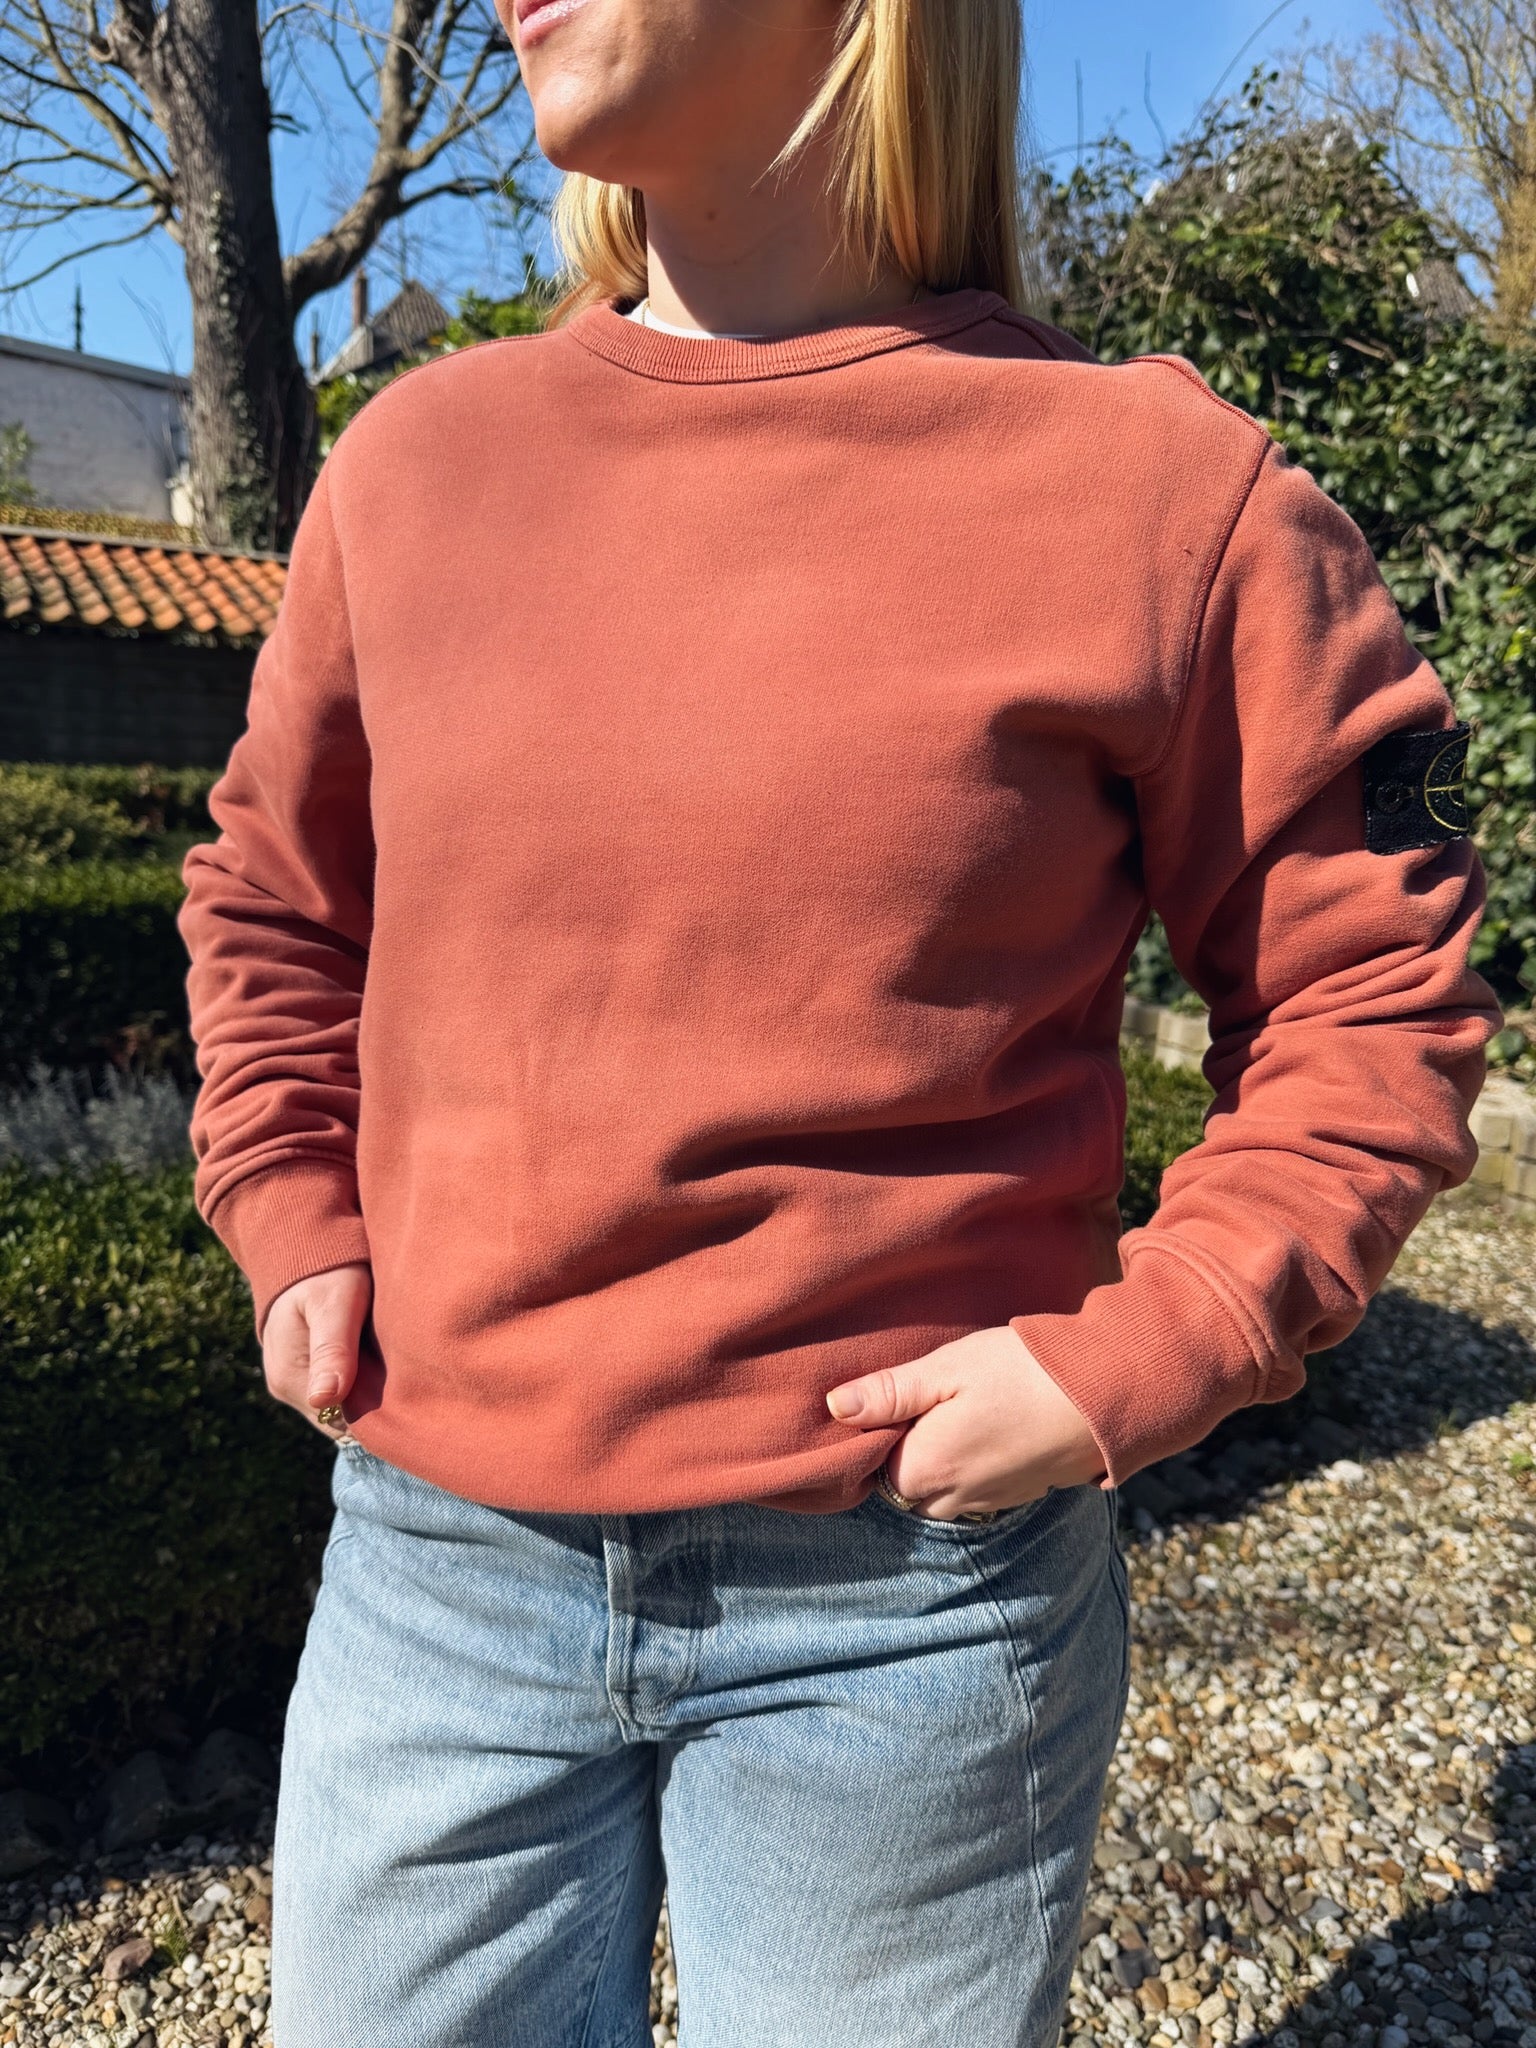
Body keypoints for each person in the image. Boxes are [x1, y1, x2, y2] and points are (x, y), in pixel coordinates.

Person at [176, 0, 1501, 2041]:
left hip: (913, 1608)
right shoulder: (413, 472)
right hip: (441, 1565)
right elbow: (275, 899)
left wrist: (1153, 1344)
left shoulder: (1171, 498)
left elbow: (1373, 990)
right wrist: (288, 1206)